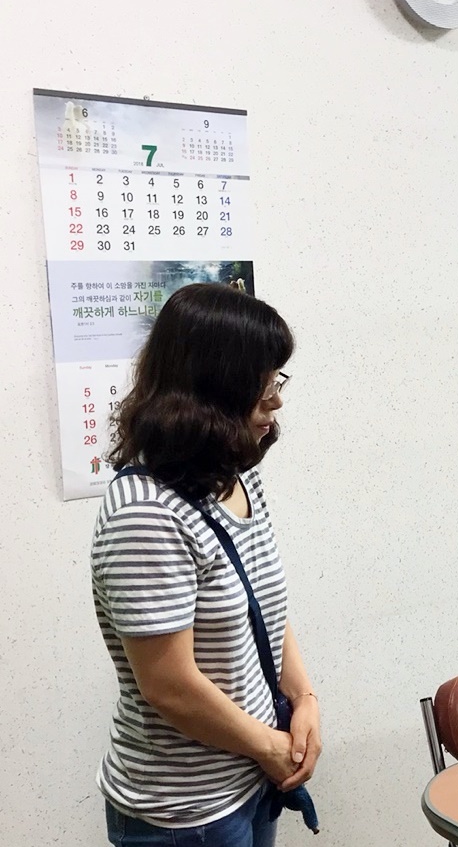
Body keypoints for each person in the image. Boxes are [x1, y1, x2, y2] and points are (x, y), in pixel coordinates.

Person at [92, 282, 320, 846]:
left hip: (250, 778)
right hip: (186, 812)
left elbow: (264, 608)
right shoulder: (145, 512)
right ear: (212, 390)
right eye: (261, 386)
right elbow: (170, 687)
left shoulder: (237, 476)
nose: (276, 402)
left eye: (277, 381)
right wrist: (271, 747)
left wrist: (304, 699)